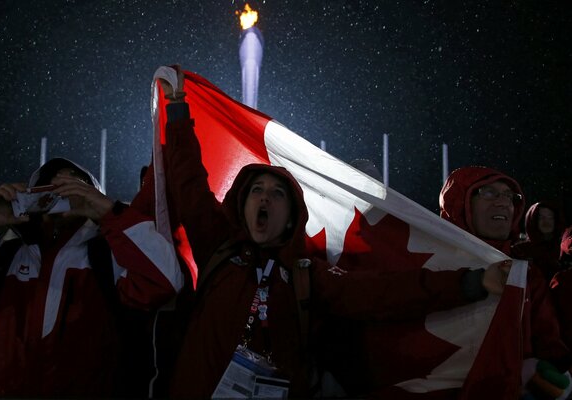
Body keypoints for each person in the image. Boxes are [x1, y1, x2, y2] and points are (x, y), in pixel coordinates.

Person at [137, 66, 511, 399]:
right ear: (241, 203)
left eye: (277, 194)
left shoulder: (307, 275)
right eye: (256, 191)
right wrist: (178, 107)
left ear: (291, 216)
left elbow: (387, 292)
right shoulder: (218, 247)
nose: (265, 198)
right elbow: (189, 180)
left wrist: (473, 283)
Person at [0, 157, 184, 397]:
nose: (60, 191)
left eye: (72, 185)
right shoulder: (2, 259)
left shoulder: (109, 257)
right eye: (48, 187)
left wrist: (109, 213)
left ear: (92, 193)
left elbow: (165, 282)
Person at [440, 166, 572, 399]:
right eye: (489, 192)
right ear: (460, 202)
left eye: (510, 196)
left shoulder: (527, 273)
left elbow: (547, 334)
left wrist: (554, 368)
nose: (503, 202)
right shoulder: (428, 264)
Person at [512, 201, 567, 281]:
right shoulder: (520, 251)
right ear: (533, 220)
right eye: (541, 217)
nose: (546, 222)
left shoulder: (564, 249)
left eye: (550, 217)